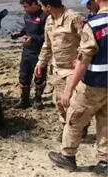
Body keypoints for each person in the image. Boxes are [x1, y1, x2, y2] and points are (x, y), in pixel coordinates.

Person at [48, 0, 108, 177]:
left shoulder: (94, 23)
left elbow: (84, 60)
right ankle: (104, 162)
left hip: (93, 83)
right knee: (106, 122)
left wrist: (69, 89)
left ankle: (67, 156)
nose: (88, 6)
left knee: (74, 117)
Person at [34, 0, 88, 142]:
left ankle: (78, 129)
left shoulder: (74, 18)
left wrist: (82, 59)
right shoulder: (49, 21)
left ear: (49, 6)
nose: (41, 8)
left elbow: (87, 41)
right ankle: (66, 127)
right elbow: (47, 44)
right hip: (57, 69)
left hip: (74, 71)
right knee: (59, 102)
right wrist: (41, 62)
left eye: (42, 5)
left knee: (73, 103)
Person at [11, 0, 48, 109]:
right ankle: (24, 100)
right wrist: (19, 33)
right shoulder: (27, 15)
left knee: (39, 77)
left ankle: (38, 99)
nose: (24, 9)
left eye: (26, 6)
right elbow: (26, 28)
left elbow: (47, 36)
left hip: (39, 52)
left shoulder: (44, 16)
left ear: (34, 4)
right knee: (24, 75)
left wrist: (33, 39)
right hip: (26, 51)